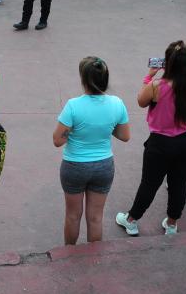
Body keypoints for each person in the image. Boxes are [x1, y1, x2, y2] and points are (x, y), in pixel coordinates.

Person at [115, 41, 186, 236]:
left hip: (161, 144)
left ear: (167, 64)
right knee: (180, 183)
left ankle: (132, 220)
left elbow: (140, 101)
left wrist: (149, 76)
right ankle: (171, 224)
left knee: (150, 183)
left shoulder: (156, 86)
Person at [53, 56, 130, 245]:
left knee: (73, 216)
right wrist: (103, 127)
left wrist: (75, 132)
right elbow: (124, 135)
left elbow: (57, 140)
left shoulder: (73, 106)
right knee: (95, 217)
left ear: (84, 80)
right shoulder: (117, 104)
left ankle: (70, 253)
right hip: (104, 166)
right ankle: (93, 259)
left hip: (74, 166)